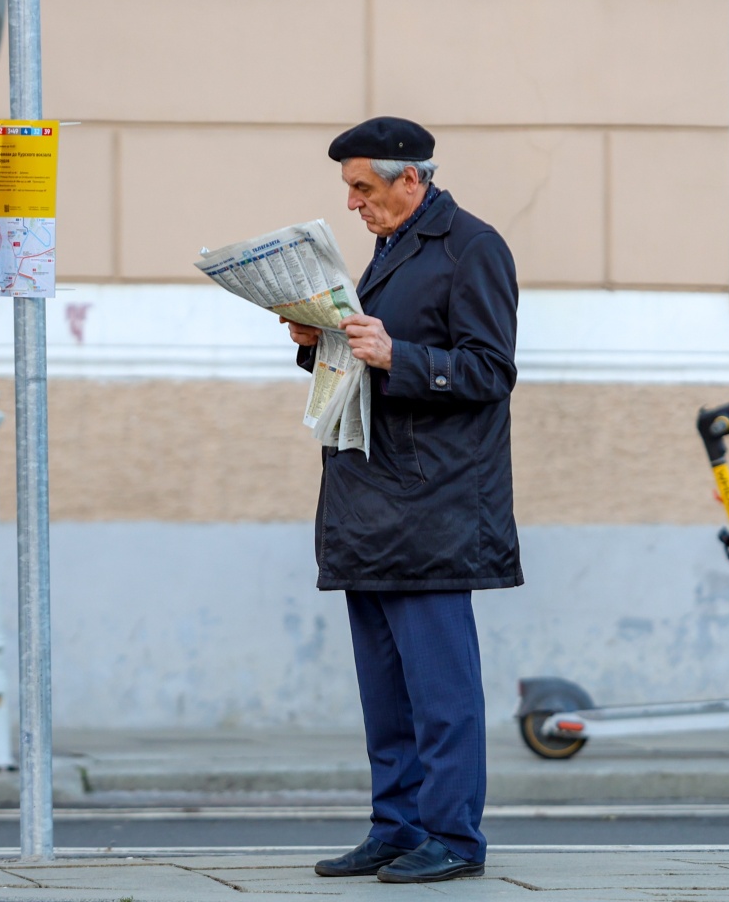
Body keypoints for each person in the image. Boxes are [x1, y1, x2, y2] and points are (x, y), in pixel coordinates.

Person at [282, 117, 521, 884]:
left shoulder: (473, 247)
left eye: (363, 187)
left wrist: (401, 356)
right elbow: (369, 358)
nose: (353, 203)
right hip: (372, 502)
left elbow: (490, 371)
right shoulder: (392, 247)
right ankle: (397, 826)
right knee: (386, 694)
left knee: (441, 694)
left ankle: (454, 839)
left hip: (436, 507)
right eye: (348, 189)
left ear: (410, 179)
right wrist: (315, 339)